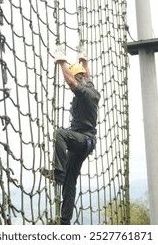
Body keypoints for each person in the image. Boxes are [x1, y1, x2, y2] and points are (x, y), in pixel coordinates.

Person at [43, 45, 100, 225]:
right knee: (70, 183)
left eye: (78, 78)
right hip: (82, 143)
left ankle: (58, 172)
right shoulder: (88, 84)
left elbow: (69, 79)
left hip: (83, 140)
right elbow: (86, 74)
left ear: (79, 78)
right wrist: (84, 60)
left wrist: (61, 61)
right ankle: (65, 220)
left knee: (60, 134)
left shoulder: (86, 93)